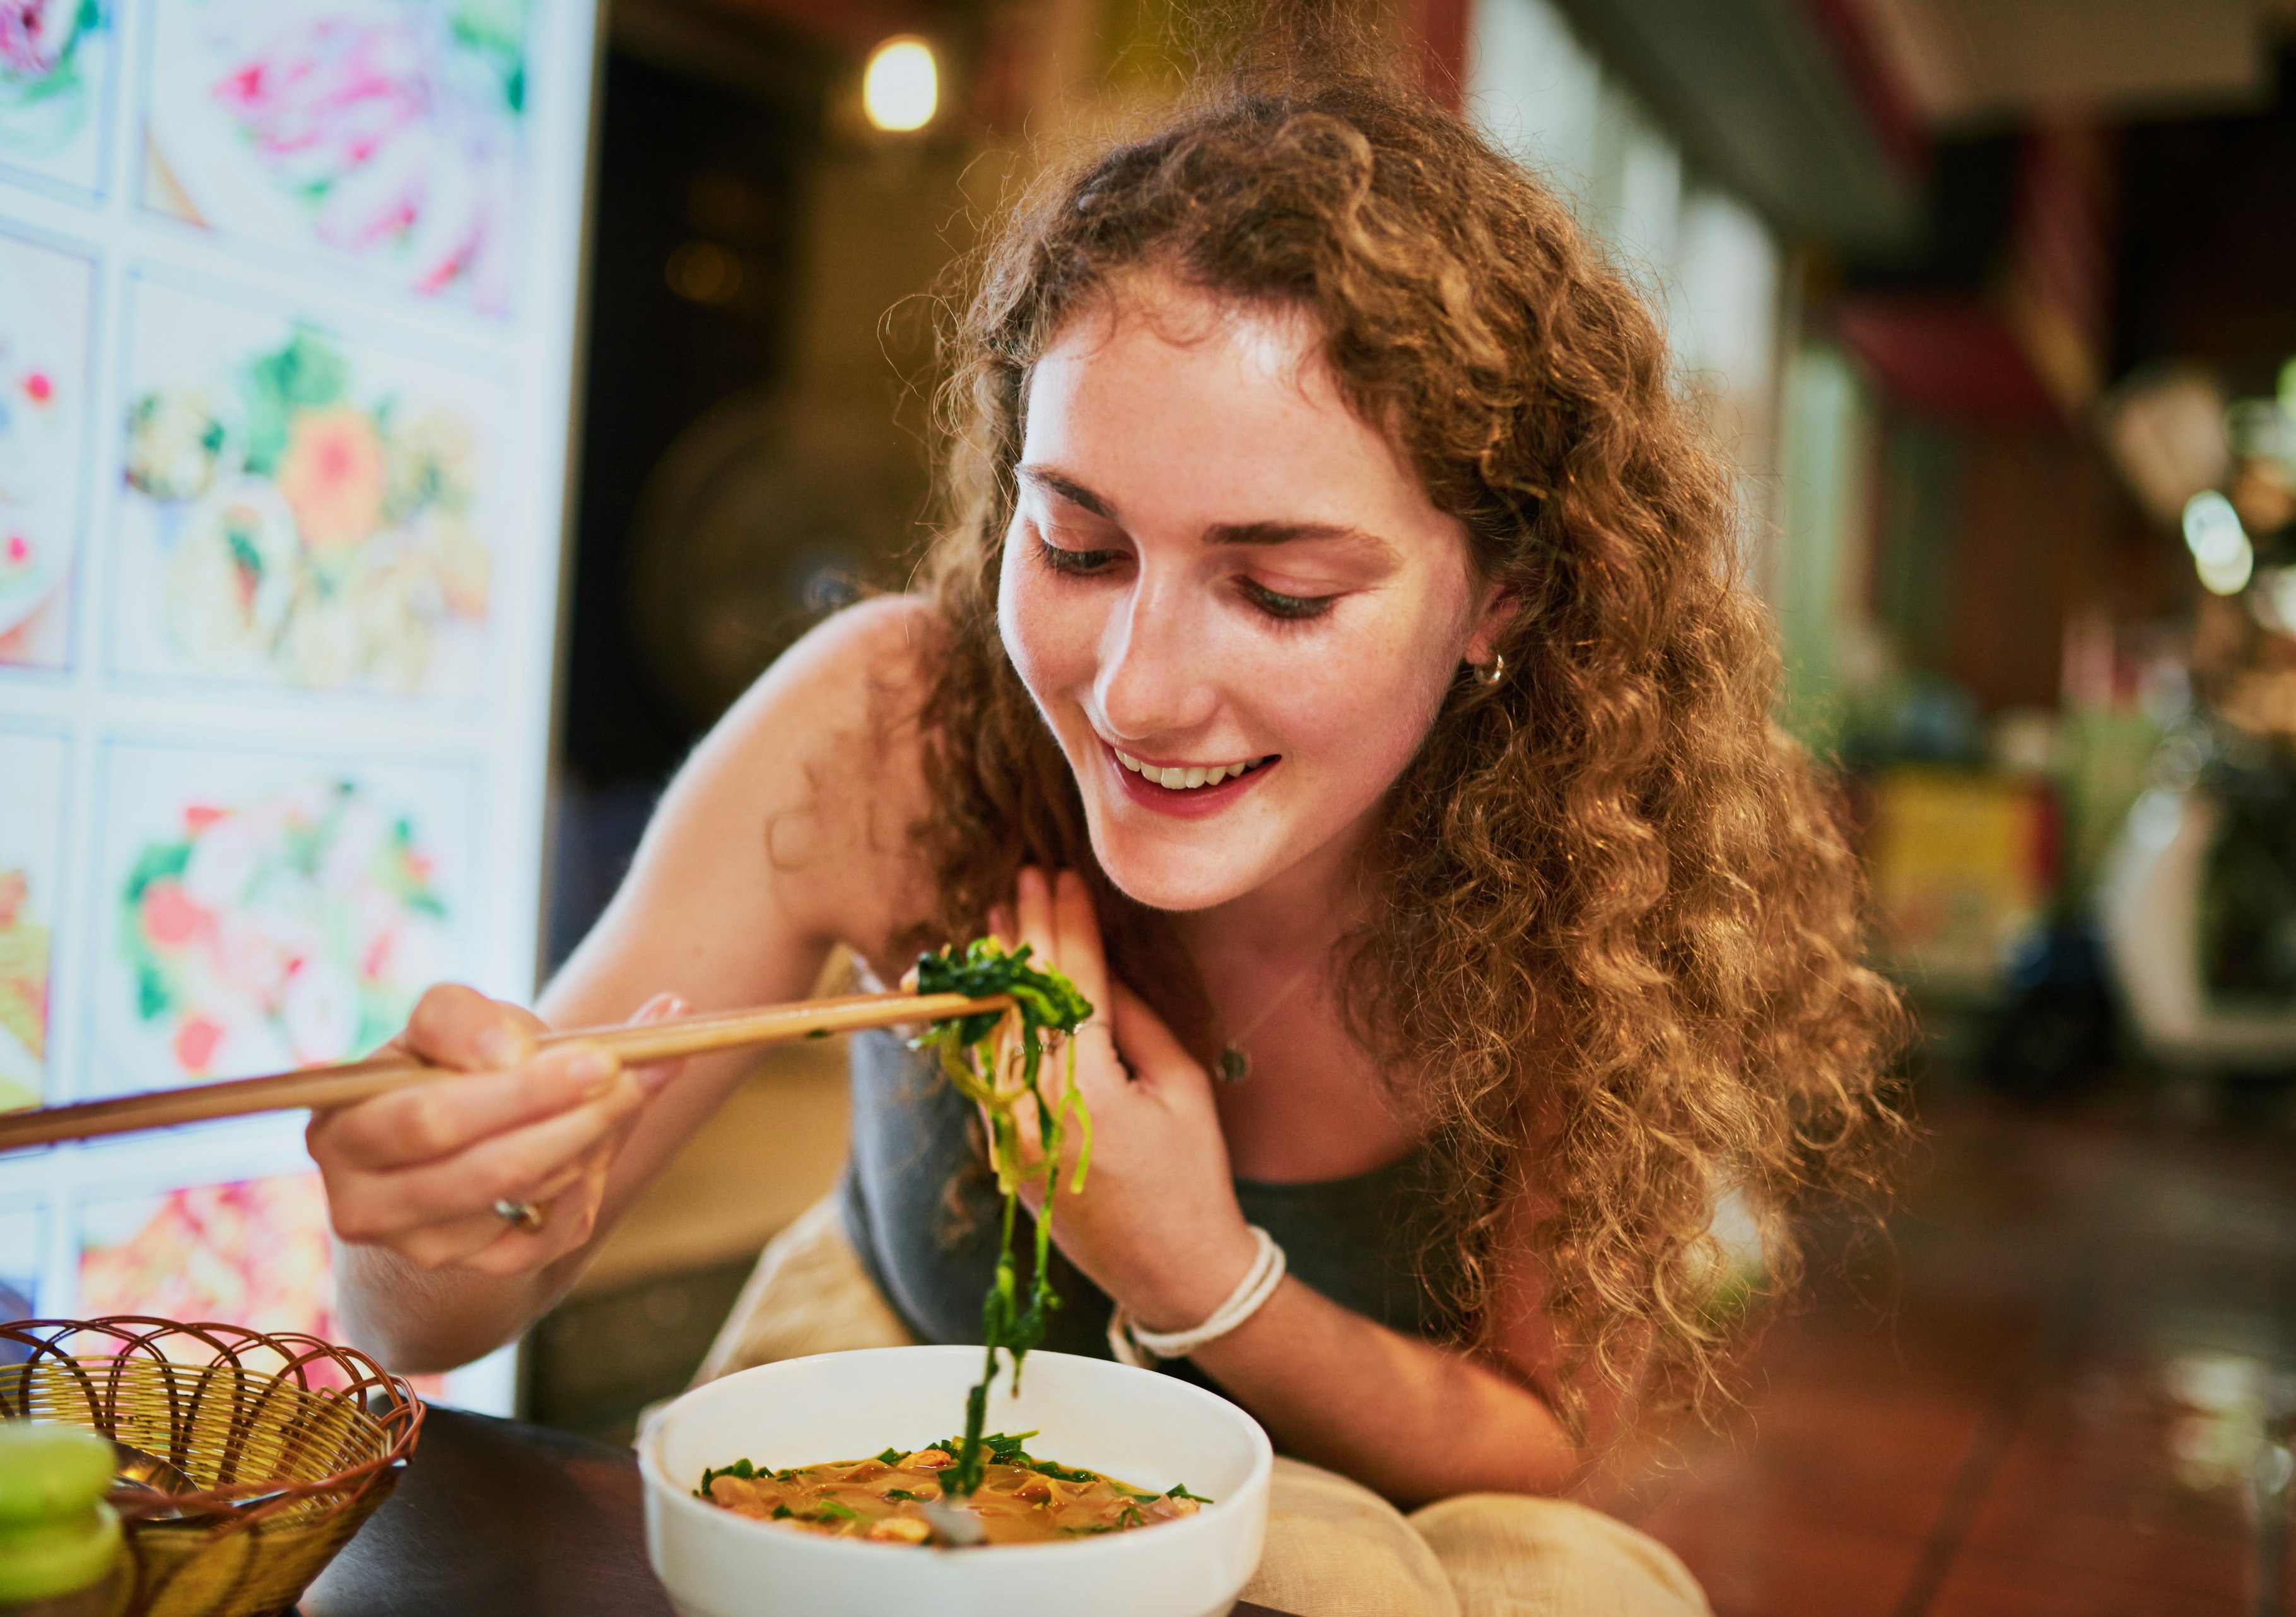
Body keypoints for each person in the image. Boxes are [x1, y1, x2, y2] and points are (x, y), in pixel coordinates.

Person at [305, 20, 1902, 1614]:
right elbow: (420, 1328)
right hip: (892, 1409)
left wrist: (1195, 1270)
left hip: (1390, 1501)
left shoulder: (1594, 873)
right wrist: (437, 1225)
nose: (1135, 694)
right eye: (1076, 548)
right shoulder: (891, 726)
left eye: (1279, 593)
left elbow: (1544, 1445)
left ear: (1504, 594)